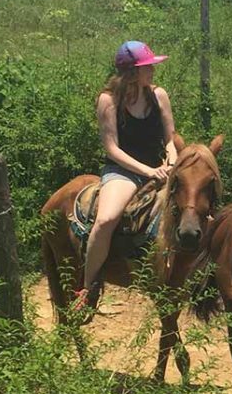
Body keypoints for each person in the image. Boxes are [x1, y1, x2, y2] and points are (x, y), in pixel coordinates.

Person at [74, 40, 177, 309]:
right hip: (123, 172)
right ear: (131, 72)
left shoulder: (159, 95)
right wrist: (148, 171)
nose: (153, 71)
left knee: (197, 207)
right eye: (147, 67)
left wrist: (172, 161)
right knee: (106, 219)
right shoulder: (108, 100)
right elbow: (112, 148)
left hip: (161, 168)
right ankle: (90, 285)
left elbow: (170, 138)